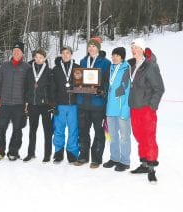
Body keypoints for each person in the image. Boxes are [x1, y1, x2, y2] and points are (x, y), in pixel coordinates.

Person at [128, 38, 165, 183]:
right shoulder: (132, 65)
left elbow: (159, 88)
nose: (134, 50)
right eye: (132, 48)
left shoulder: (150, 66)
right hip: (134, 107)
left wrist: (152, 106)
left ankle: (151, 168)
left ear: (142, 49)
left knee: (149, 137)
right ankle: (143, 163)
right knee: (139, 136)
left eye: (136, 47)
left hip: (146, 108)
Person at [74, 37, 111, 168]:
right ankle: (83, 156)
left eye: (94, 46)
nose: (91, 48)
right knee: (83, 131)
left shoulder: (106, 63)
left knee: (98, 132)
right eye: (89, 46)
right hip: (83, 103)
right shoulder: (83, 61)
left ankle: (96, 158)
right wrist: (76, 86)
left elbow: (108, 82)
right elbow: (78, 79)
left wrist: (102, 90)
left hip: (97, 104)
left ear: (98, 48)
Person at [0, 41, 30, 161]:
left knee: (17, 130)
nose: (16, 52)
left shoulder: (26, 67)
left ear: (22, 53)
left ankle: (13, 152)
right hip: (5, 104)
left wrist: (27, 103)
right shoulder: (5, 66)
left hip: (19, 105)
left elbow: (29, 87)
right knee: (0, 129)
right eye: (14, 51)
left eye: (18, 51)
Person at [102, 47, 131, 172]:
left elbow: (128, 90)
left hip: (122, 109)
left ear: (122, 57)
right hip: (110, 109)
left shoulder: (127, 69)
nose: (114, 58)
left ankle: (125, 161)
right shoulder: (110, 68)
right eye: (113, 55)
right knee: (112, 135)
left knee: (124, 137)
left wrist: (126, 109)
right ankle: (114, 158)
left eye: (117, 56)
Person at [50, 46, 80, 164]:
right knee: (59, 129)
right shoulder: (56, 69)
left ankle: (72, 152)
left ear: (71, 54)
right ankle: (58, 152)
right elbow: (52, 88)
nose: (65, 55)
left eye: (68, 53)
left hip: (74, 105)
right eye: (63, 53)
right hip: (60, 105)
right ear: (61, 55)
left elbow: (82, 86)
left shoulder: (77, 68)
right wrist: (53, 104)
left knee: (73, 130)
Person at [23, 48, 53, 163]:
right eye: (36, 57)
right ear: (34, 58)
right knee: (32, 130)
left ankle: (47, 154)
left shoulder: (49, 71)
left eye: (41, 57)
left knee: (47, 131)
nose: (38, 59)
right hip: (33, 104)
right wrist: (26, 101)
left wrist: (51, 103)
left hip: (45, 105)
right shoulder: (30, 71)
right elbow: (26, 87)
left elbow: (51, 89)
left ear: (44, 58)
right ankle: (31, 153)